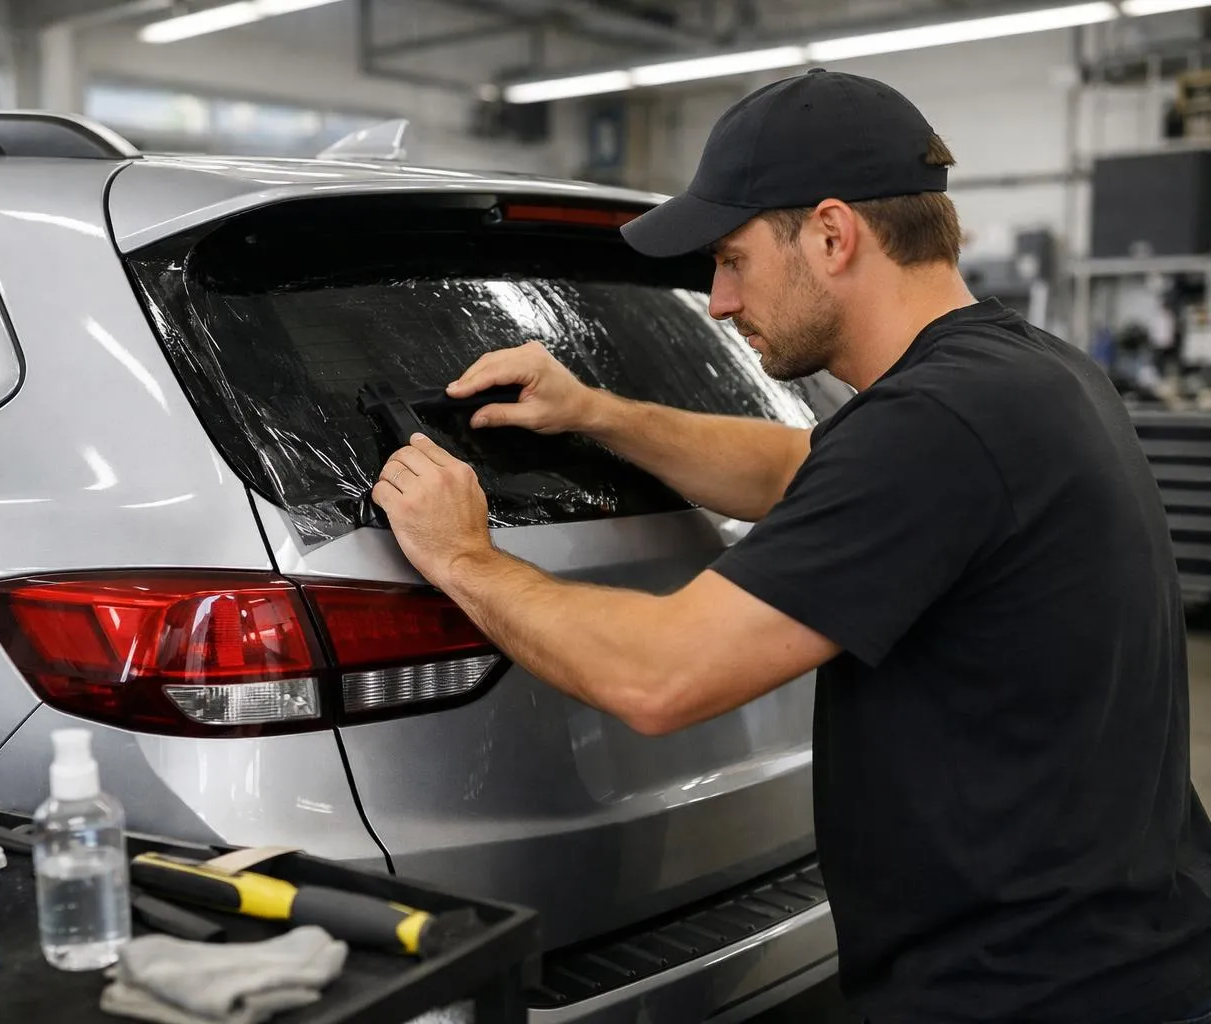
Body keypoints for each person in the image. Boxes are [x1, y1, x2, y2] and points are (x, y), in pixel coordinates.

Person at [371, 69, 1211, 1023]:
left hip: (1030, 994)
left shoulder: (934, 423)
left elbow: (662, 677)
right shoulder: (1020, 370)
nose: (720, 302)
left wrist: (462, 556)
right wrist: (593, 412)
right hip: (1124, 949)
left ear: (831, 233)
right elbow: (792, 467)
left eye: (733, 259)